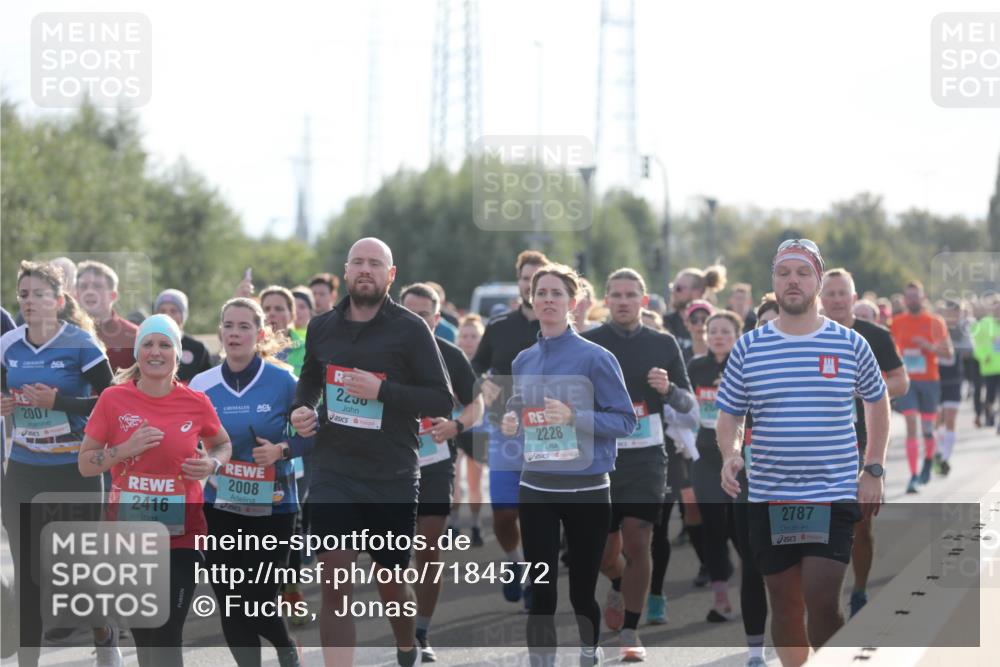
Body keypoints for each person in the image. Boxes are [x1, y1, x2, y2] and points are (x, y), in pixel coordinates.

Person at [716, 239, 890, 667]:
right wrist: (730, 454)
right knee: (785, 602)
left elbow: (877, 401)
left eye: (802, 272)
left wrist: (873, 469)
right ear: (773, 282)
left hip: (830, 490)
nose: (793, 281)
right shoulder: (749, 347)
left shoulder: (849, 343)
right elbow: (730, 415)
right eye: (784, 273)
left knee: (820, 595)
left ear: (817, 279)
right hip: (771, 494)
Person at [290, 238, 453, 667]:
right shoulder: (323, 326)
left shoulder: (410, 329)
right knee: (334, 583)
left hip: (391, 475)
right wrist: (302, 408)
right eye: (358, 263)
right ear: (345, 272)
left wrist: (383, 391)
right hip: (333, 470)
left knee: (391, 585)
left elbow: (441, 400)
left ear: (390, 275)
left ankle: (405, 645)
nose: (366, 270)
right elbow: (309, 377)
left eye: (375, 263)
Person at [500, 263, 636, 667]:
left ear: (572, 303)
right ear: (532, 299)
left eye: (556, 293)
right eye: (540, 292)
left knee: (580, 592)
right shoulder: (523, 360)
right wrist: (510, 419)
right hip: (537, 487)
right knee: (541, 591)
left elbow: (625, 421)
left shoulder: (597, 357)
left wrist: (574, 416)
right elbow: (520, 407)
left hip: (587, 488)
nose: (547, 300)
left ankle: (588, 651)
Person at [79, 314, 233, 667]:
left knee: (165, 632)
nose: (155, 351)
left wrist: (212, 464)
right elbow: (86, 463)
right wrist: (124, 449)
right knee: (146, 638)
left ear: (177, 354)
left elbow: (222, 444)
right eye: (147, 344)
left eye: (165, 344)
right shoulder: (113, 400)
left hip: (182, 538)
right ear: (138, 353)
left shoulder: (195, 402)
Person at [1, 261, 117, 667]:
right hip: (22, 470)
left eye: (38, 294)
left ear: (59, 300)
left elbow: (113, 402)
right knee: (29, 574)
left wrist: (59, 403)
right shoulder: (9, 345)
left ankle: (104, 635)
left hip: (74, 470)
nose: (29, 301)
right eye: (23, 294)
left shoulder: (81, 344)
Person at [190, 298, 312, 667]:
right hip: (218, 507)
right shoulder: (201, 384)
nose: (235, 333)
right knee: (230, 600)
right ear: (220, 332)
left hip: (274, 507)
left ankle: (285, 644)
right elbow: (184, 435)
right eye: (229, 325)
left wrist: (281, 450)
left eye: (244, 326)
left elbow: (314, 434)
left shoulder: (283, 381)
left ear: (259, 334)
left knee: (258, 599)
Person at [582, 268, 695, 661]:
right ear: (606, 300)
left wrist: (670, 390)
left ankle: (630, 630)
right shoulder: (589, 343)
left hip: (648, 457)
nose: (624, 301)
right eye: (616, 295)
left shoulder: (663, 343)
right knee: (604, 553)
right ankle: (616, 579)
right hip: (601, 456)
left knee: (639, 539)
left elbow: (689, 405)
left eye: (632, 294)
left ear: (644, 301)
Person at [399, 283, 484, 662]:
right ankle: (401, 626)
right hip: (388, 465)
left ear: (436, 318)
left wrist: (456, 426)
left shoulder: (450, 355)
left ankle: (421, 630)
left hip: (434, 463)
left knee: (428, 548)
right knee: (392, 555)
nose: (416, 321)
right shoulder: (381, 352)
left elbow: (476, 404)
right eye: (409, 313)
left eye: (424, 315)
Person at [819, 268, 908, 616]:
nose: (838, 300)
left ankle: (858, 588)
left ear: (855, 299)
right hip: (818, 442)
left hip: (862, 441)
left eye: (844, 293)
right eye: (831, 294)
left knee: (860, 523)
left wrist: (872, 392)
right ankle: (825, 596)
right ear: (820, 299)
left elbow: (902, 381)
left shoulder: (875, 336)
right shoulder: (810, 336)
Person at [471, 250, 548, 605]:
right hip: (504, 431)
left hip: (550, 433)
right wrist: (481, 386)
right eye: (525, 278)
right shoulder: (500, 326)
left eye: (539, 279)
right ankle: (514, 562)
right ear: (518, 283)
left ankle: (536, 577)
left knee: (538, 512)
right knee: (504, 513)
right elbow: (473, 368)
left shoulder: (560, 329)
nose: (531, 285)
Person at [731, 294, 780, 667]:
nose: (772, 331)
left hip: (800, 482)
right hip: (750, 481)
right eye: (764, 325)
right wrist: (731, 453)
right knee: (752, 565)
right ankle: (754, 651)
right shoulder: (743, 365)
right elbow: (727, 419)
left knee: (793, 569)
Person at [689, 310, 745, 623]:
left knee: (740, 526)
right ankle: (721, 597)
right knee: (713, 526)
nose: (719, 336)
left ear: (736, 335)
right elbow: (684, 411)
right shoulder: (696, 367)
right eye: (714, 331)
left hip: (738, 457)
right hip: (704, 457)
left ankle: (755, 581)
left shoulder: (745, 365)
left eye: (725, 330)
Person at [890, 281, 953, 493]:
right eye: (909, 296)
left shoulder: (935, 322)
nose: (912, 300)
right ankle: (914, 475)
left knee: (928, 429)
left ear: (923, 298)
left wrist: (928, 346)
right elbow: (890, 353)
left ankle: (928, 462)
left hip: (930, 381)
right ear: (904, 299)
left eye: (916, 296)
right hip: (908, 381)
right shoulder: (896, 322)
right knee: (910, 425)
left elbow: (949, 354)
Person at [453, 314, 487, 545]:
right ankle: (453, 524)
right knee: (454, 479)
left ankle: (475, 524)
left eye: (473, 336)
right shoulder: (452, 362)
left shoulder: (487, 366)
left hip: (478, 429)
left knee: (475, 482)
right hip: (454, 426)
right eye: (465, 336)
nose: (468, 340)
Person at [76, 260, 139, 372]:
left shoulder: (134, 336)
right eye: (84, 286)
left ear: (113, 295)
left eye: (97, 286)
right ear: (76, 294)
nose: (89, 291)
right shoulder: (62, 334)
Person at [664, 265, 727, 359]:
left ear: (697, 292)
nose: (673, 292)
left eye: (679, 288)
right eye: (673, 287)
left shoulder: (719, 322)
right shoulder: (665, 322)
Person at [155, 289, 213, 383]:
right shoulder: (146, 347)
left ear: (183, 316)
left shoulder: (198, 349)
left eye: (173, 311)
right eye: (162, 311)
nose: (167, 316)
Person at [260, 286, 306, 377]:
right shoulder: (250, 351)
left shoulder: (307, 350)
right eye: (266, 309)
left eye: (278, 309)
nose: (271, 313)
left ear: (292, 315)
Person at [971, 299, 1000, 431]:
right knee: (991, 396)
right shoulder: (983, 325)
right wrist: (983, 357)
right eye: (997, 308)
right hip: (989, 368)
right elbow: (975, 345)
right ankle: (989, 415)